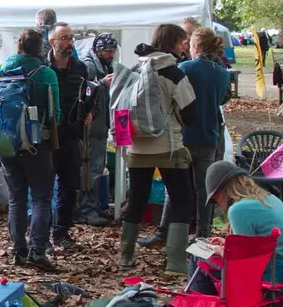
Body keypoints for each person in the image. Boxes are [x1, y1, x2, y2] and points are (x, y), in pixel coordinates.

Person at [114, 24, 198, 273]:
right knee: (182, 199)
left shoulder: (134, 69)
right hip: (168, 147)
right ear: (173, 44)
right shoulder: (173, 74)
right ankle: (175, 262)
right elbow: (190, 113)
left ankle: (126, 257)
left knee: (137, 200)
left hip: (137, 149)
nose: (184, 47)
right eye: (183, 42)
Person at [0, 28, 60, 270]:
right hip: (36, 143)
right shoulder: (46, 74)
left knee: (16, 200)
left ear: (19, 46)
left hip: (7, 141)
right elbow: (57, 114)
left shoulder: (4, 71)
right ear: (41, 48)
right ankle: (38, 250)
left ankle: (18, 250)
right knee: (42, 198)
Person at [205, 160, 283, 282]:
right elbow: (255, 243)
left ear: (222, 192)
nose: (217, 204)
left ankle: (207, 300)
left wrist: (220, 250)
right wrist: (228, 244)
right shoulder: (269, 197)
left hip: (276, 274)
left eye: (215, 200)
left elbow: (243, 259)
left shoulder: (238, 209)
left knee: (201, 258)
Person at [177, 27, 230, 238]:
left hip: (186, 135)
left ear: (196, 46)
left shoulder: (185, 68)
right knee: (203, 188)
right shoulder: (223, 73)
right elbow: (223, 99)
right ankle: (203, 231)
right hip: (209, 135)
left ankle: (178, 229)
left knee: (179, 188)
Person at [46, 23, 93, 254]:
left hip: (72, 135)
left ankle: (61, 233)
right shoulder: (43, 68)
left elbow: (87, 96)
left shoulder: (81, 68)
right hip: (47, 136)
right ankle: (41, 236)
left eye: (71, 38)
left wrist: (88, 113)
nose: (68, 42)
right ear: (52, 42)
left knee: (68, 186)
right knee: (44, 188)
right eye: (63, 38)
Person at [78, 32, 118, 227]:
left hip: (101, 125)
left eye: (113, 51)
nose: (111, 55)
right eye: (107, 51)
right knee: (90, 168)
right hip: (90, 126)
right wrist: (103, 83)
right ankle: (87, 210)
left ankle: (94, 205)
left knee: (97, 167)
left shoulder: (105, 65)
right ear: (97, 50)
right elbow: (85, 91)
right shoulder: (89, 65)